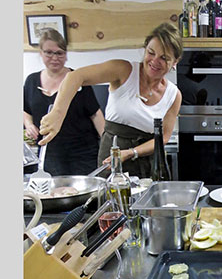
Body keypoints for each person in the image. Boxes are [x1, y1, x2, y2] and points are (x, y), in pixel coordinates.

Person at [38, 22, 182, 178]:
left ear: (175, 61)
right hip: (112, 157)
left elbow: (163, 138)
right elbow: (75, 77)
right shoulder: (123, 70)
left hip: (149, 164)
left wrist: (131, 153)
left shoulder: (173, 95)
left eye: (164, 58)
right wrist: (58, 113)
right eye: (151, 52)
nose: (155, 61)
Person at [24, 28, 105, 176]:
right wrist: (29, 125)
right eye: (49, 52)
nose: (54, 58)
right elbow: (25, 110)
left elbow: (96, 115)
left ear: (66, 55)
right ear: (40, 53)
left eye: (59, 53)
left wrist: (108, 149)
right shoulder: (31, 81)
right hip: (49, 154)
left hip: (83, 153)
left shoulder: (78, 79)